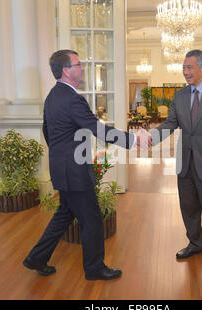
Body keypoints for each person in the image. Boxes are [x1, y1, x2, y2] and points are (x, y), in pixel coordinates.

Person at [23, 49, 140, 280]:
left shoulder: (53, 96)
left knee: (64, 215)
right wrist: (133, 139)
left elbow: (47, 131)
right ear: (66, 70)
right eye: (78, 64)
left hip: (61, 168)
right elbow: (98, 130)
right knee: (92, 219)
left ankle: (36, 258)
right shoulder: (72, 99)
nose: (82, 68)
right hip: (74, 172)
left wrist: (62, 153)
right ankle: (95, 269)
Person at [146, 49, 202, 269]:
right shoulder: (180, 95)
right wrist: (150, 137)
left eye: (189, 67)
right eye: (183, 68)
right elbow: (170, 124)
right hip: (184, 162)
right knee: (189, 207)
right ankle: (195, 243)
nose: (185, 72)